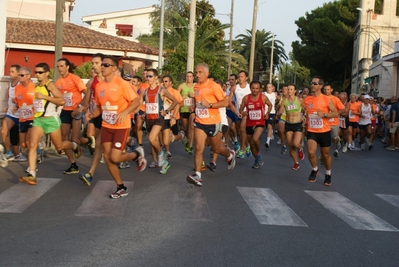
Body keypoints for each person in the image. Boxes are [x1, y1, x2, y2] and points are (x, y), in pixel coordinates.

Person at [89, 56, 146, 198]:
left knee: (114, 157)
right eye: (102, 64)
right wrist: (89, 114)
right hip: (106, 125)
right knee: (108, 158)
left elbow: (136, 101)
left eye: (106, 65)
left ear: (114, 68)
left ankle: (137, 154)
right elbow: (99, 108)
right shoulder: (99, 86)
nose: (102, 67)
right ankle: (121, 187)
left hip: (121, 126)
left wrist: (125, 111)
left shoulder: (122, 84)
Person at [19, 63, 82, 185]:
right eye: (36, 72)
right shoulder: (36, 86)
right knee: (32, 145)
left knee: (59, 147)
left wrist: (44, 97)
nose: (37, 75)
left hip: (51, 120)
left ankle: (74, 145)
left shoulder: (50, 85)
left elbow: (62, 101)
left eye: (40, 72)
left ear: (47, 73)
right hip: (39, 119)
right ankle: (32, 174)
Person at [186, 63, 236, 187]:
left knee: (216, 149)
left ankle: (230, 155)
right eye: (196, 72)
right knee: (199, 148)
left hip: (213, 122)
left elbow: (225, 102)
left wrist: (211, 105)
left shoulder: (214, 86)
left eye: (200, 72)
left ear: (207, 74)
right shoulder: (196, 87)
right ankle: (197, 175)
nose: (197, 75)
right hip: (200, 122)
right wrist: (194, 106)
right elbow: (199, 102)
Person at [140, 69, 178, 174]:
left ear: (156, 78)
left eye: (150, 76)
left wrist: (167, 111)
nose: (148, 78)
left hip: (158, 118)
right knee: (153, 141)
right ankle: (160, 162)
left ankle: (161, 154)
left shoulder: (161, 90)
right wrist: (144, 113)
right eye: (147, 76)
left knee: (152, 138)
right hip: (148, 119)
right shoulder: (145, 91)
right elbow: (143, 104)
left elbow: (175, 101)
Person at [303, 76, 338, 186]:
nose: (312, 85)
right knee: (311, 152)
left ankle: (328, 173)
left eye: (315, 83)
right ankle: (315, 169)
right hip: (312, 130)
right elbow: (306, 112)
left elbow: (335, 113)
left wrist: (324, 114)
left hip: (324, 131)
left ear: (321, 86)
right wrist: (304, 118)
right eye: (311, 83)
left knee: (325, 155)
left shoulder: (327, 99)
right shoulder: (307, 99)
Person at [56, 58, 88, 174]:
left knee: (74, 139)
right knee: (64, 138)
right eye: (58, 66)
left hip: (76, 111)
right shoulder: (58, 82)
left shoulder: (75, 79)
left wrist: (79, 106)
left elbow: (87, 93)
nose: (60, 68)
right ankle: (73, 164)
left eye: (62, 66)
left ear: (67, 67)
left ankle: (88, 140)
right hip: (65, 111)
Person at [78, 53, 105, 186]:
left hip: (112, 117)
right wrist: (82, 108)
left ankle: (134, 153)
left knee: (113, 153)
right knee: (99, 145)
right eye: (92, 63)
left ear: (103, 63)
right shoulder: (91, 82)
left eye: (96, 63)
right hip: (97, 115)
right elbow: (87, 101)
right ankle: (90, 174)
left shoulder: (112, 80)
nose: (93, 66)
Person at [239, 81, 272, 168]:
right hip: (249, 122)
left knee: (255, 139)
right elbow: (241, 109)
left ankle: (258, 153)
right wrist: (243, 113)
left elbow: (270, 105)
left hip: (260, 122)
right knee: (251, 143)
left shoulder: (263, 97)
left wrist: (267, 113)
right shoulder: (246, 98)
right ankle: (257, 158)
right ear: (250, 89)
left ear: (260, 89)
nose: (255, 90)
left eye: (257, 88)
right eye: (253, 88)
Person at [277, 83, 305, 170]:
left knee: (296, 143)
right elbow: (280, 111)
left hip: (297, 124)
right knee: (291, 146)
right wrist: (279, 113)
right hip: (288, 124)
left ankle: (300, 149)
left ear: (295, 91)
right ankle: (296, 163)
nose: (289, 91)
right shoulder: (284, 101)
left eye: (291, 89)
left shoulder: (299, 100)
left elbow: (306, 110)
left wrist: (304, 116)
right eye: (288, 89)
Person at [1, 64, 25, 161]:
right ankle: (9, 152)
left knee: (24, 141)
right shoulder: (10, 84)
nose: (10, 73)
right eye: (9, 71)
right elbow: (10, 98)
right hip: (11, 114)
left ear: (18, 73)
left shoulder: (22, 84)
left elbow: (26, 98)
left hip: (21, 114)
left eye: (12, 72)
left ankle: (38, 150)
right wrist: (8, 106)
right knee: (3, 131)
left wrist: (18, 104)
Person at [232, 70, 252, 158]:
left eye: (242, 77)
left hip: (247, 112)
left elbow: (255, 100)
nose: (240, 78)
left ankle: (242, 150)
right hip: (238, 112)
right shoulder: (235, 87)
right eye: (239, 77)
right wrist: (236, 111)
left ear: (246, 78)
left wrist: (248, 111)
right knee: (240, 133)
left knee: (242, 129)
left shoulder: (250, 88)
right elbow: (229, 101)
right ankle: (247, 146)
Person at [323, 84, 345, 157]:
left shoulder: (335, 99)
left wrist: (335, 114)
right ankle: (325, 155)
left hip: (334, 123)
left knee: (334, 139)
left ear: (331, 90)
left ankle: (337, 143)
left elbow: (342, 109)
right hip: (324, 123)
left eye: (328, 89)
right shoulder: (321, 98)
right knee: (325, 140)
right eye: (325, 89)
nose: (326, 91)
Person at [177, 71, 196, 154]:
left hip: (192, 110)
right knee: (185, 128)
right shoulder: (182, 86)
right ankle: (188, 141)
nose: (189, 78)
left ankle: (191, 145)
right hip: (184, 109)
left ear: (193, 78)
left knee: (191, 127)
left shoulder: (196, 86)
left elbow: (200, 96)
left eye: (190, 76)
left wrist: (194, 96)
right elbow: (176, 97)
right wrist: (181, 97)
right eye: (187, 76)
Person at [263, 83, 278, 148]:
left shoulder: (274, 94)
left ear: (272, 88)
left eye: (269, 87)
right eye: (267, 87)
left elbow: (279, 101)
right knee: (266, 126)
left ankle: (267, 141)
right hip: (264, 112)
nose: (268, 88)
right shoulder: (264, 94)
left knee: (269, 126)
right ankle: (271, 133)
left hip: (271, 112)